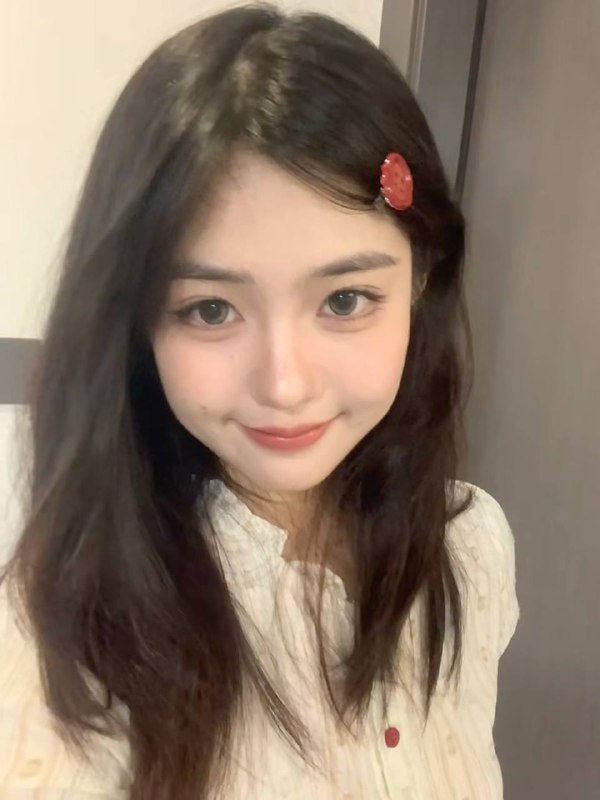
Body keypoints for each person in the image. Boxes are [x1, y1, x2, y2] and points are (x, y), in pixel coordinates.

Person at [0, 3, 520, 798]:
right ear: (136, 321)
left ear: (421, 280)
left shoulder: (468, 548)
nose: (285, 385)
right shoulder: (60, 639)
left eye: (345, 300)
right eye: (211, 310)